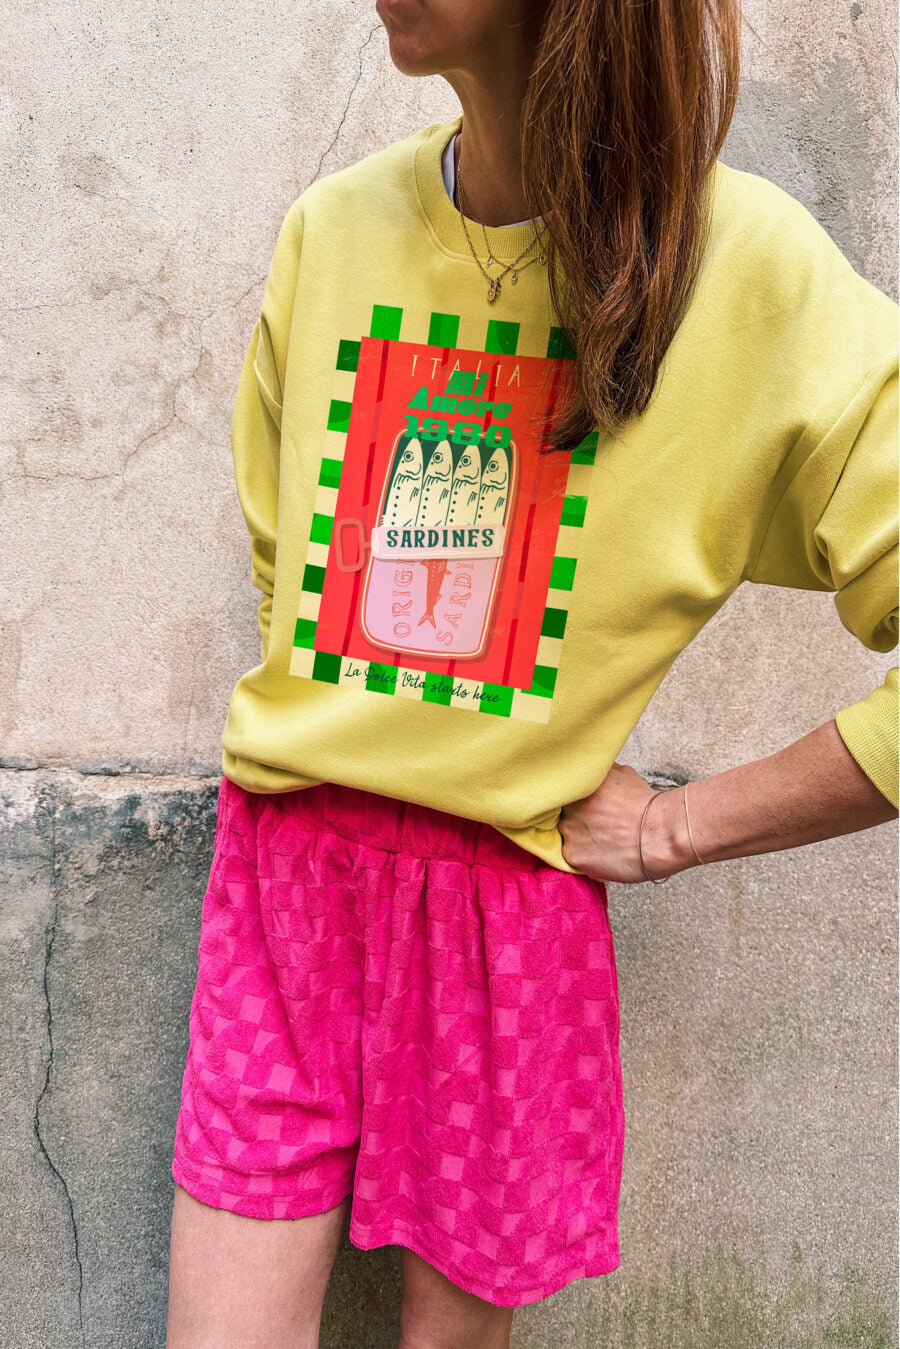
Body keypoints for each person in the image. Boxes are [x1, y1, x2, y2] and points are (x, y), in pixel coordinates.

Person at [165, 0, 899, 1344]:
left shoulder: (752, 275)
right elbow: (291, 574)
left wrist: (679, 825)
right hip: (286, 881)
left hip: (504, 914)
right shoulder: (332, 232)